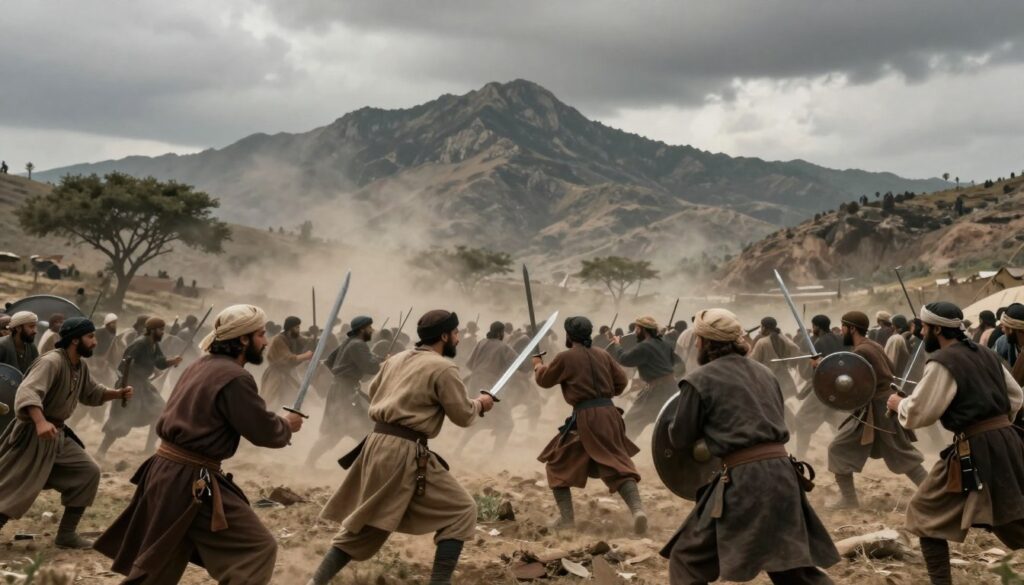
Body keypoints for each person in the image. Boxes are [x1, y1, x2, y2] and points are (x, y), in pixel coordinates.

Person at [95, 305, 302, 584]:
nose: (265, 341)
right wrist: (285, 425)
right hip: (189, 480)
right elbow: (262, 430)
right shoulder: (235, 377)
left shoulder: (201, 365)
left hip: (168, 472)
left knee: (158, 569)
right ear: (242, 339)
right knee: (256, 549)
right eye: (261, 334)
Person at [307, 310, 494, 585]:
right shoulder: (443, 368)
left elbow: (374, 392)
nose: (457, 338)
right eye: (455, 333)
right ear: (444, 336)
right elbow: (464, 415)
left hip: (377, 444)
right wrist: (481, 403)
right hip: (403, 451)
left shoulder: (395, 359)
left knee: (369, 522)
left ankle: (315, 582)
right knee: (462, 510)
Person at [661, 308, 839, 584]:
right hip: (782, 474)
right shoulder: (765, 373)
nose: (696, 344)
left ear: (706, 342)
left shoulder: (699, 380)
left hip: (744, 481)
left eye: (698, 339)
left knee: (687, 560)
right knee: (791, 569)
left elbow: (680, 438)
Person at [888, 302, 1024, 585]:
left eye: (925, 327)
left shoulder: (943, 362)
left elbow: (919, 413)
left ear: (937, 328)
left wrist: (899, 403)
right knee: (1010, 518)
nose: (921, 332)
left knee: (924, 513)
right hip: (1007, 440)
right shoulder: (986, 353)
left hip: (977, 447)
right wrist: (996, 423)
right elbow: (1015, 398)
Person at [0, 317, 133, 548]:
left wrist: (117, 393)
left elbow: (91, 392)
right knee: (13, 487)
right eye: (90, 337)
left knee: (88, 472)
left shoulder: (79, 365)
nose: (94, 342)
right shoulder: (51, 362)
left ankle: (66, 534)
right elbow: (27, 392)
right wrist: (41, 422)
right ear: (74, 340)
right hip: (33, 434)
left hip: (57, 435)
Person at [533, 316, 646, 533]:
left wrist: (538, 366)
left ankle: (566, 521)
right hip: (610, 414)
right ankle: (638, 510)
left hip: (586, 417)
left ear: (568, 335)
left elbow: (545, 381)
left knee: (556, 464)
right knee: (617, 464)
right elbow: (621, 382)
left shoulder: (565, 357)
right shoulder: (603, 354)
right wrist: (602, 395)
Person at [825, 311, 928, 509]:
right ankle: (849, 500)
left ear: (852, 328)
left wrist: (820, 369)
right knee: (841, 449)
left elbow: (851, 385)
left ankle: (934, 494)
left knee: (903, 455)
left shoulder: (861, 352)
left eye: (844, 327)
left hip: (879, 410)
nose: (842, 332)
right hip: (881, 405)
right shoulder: (874, 346)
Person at [97, 317, 182, 457]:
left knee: (160, 410)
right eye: (161, 330)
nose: (162, 333)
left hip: (143, 385)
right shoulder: (140, 343)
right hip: (129, 384)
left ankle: (149, 448)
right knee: (122, 420)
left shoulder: (153, 343)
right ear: (153, 330)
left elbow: (160, 362)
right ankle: (101, 451)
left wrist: (172, 360)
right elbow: (123, 366)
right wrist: (125, 388)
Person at [307, 316, 382, 467]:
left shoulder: (349, 342)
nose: (372, 330)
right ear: (362, 329)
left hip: (342, 388)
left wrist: (346, 371)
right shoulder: (358, 345)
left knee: (360, 428)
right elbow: (371, 367)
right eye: (370, 327)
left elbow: (329, 362)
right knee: (342, 430)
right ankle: (309, 463)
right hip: (346, 391)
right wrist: (382, 361)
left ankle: (368, 465)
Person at [454, 321, 528, 454]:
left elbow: (470, 365)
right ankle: (495, 457)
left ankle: (457, 450)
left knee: (480, 422)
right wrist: (535, 358)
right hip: (490, 390)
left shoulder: (481, 343)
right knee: (507, 424)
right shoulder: (503, 347)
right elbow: (521, 366)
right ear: (500, 333)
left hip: (474, 387)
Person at [608, 316, 677, 440]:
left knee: (630, 423)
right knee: (666, 423)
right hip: (672, 389)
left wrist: (617, 344)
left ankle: (622, 452)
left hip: (658, 392)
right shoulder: (665, 344)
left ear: (641, 330)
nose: (635, 332)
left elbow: (624, 359)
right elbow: (678, 365)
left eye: (636, 329)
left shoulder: (645, 346)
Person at [792, 315, 846, 460]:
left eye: (813, 326)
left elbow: (812, 373)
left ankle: (800, 456)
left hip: (823, 389)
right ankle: (842, 453)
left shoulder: (818, 343)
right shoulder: (841, 339)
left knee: (801, 421)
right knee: (836, 421)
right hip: (841, 388)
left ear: (816, 326)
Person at [260, 316, 313, 407]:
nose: (299, 329)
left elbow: (306, 341)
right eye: (297, 327)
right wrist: (306, 356)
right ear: (290, 328)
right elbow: (288, 359)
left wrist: (314, 337)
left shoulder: (293, 337)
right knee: (271, 402)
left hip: (289, 373)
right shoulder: (279, 340)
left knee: (300, 397)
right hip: (276, 374)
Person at [749, 316, 801, 399]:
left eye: (761, 327)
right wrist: (790, 363)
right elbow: (796, 349)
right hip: (785, 378)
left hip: (768, 379)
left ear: (764, 327)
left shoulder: (762, 342)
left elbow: (752, 361)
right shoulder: (783, 338)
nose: (761, 329)